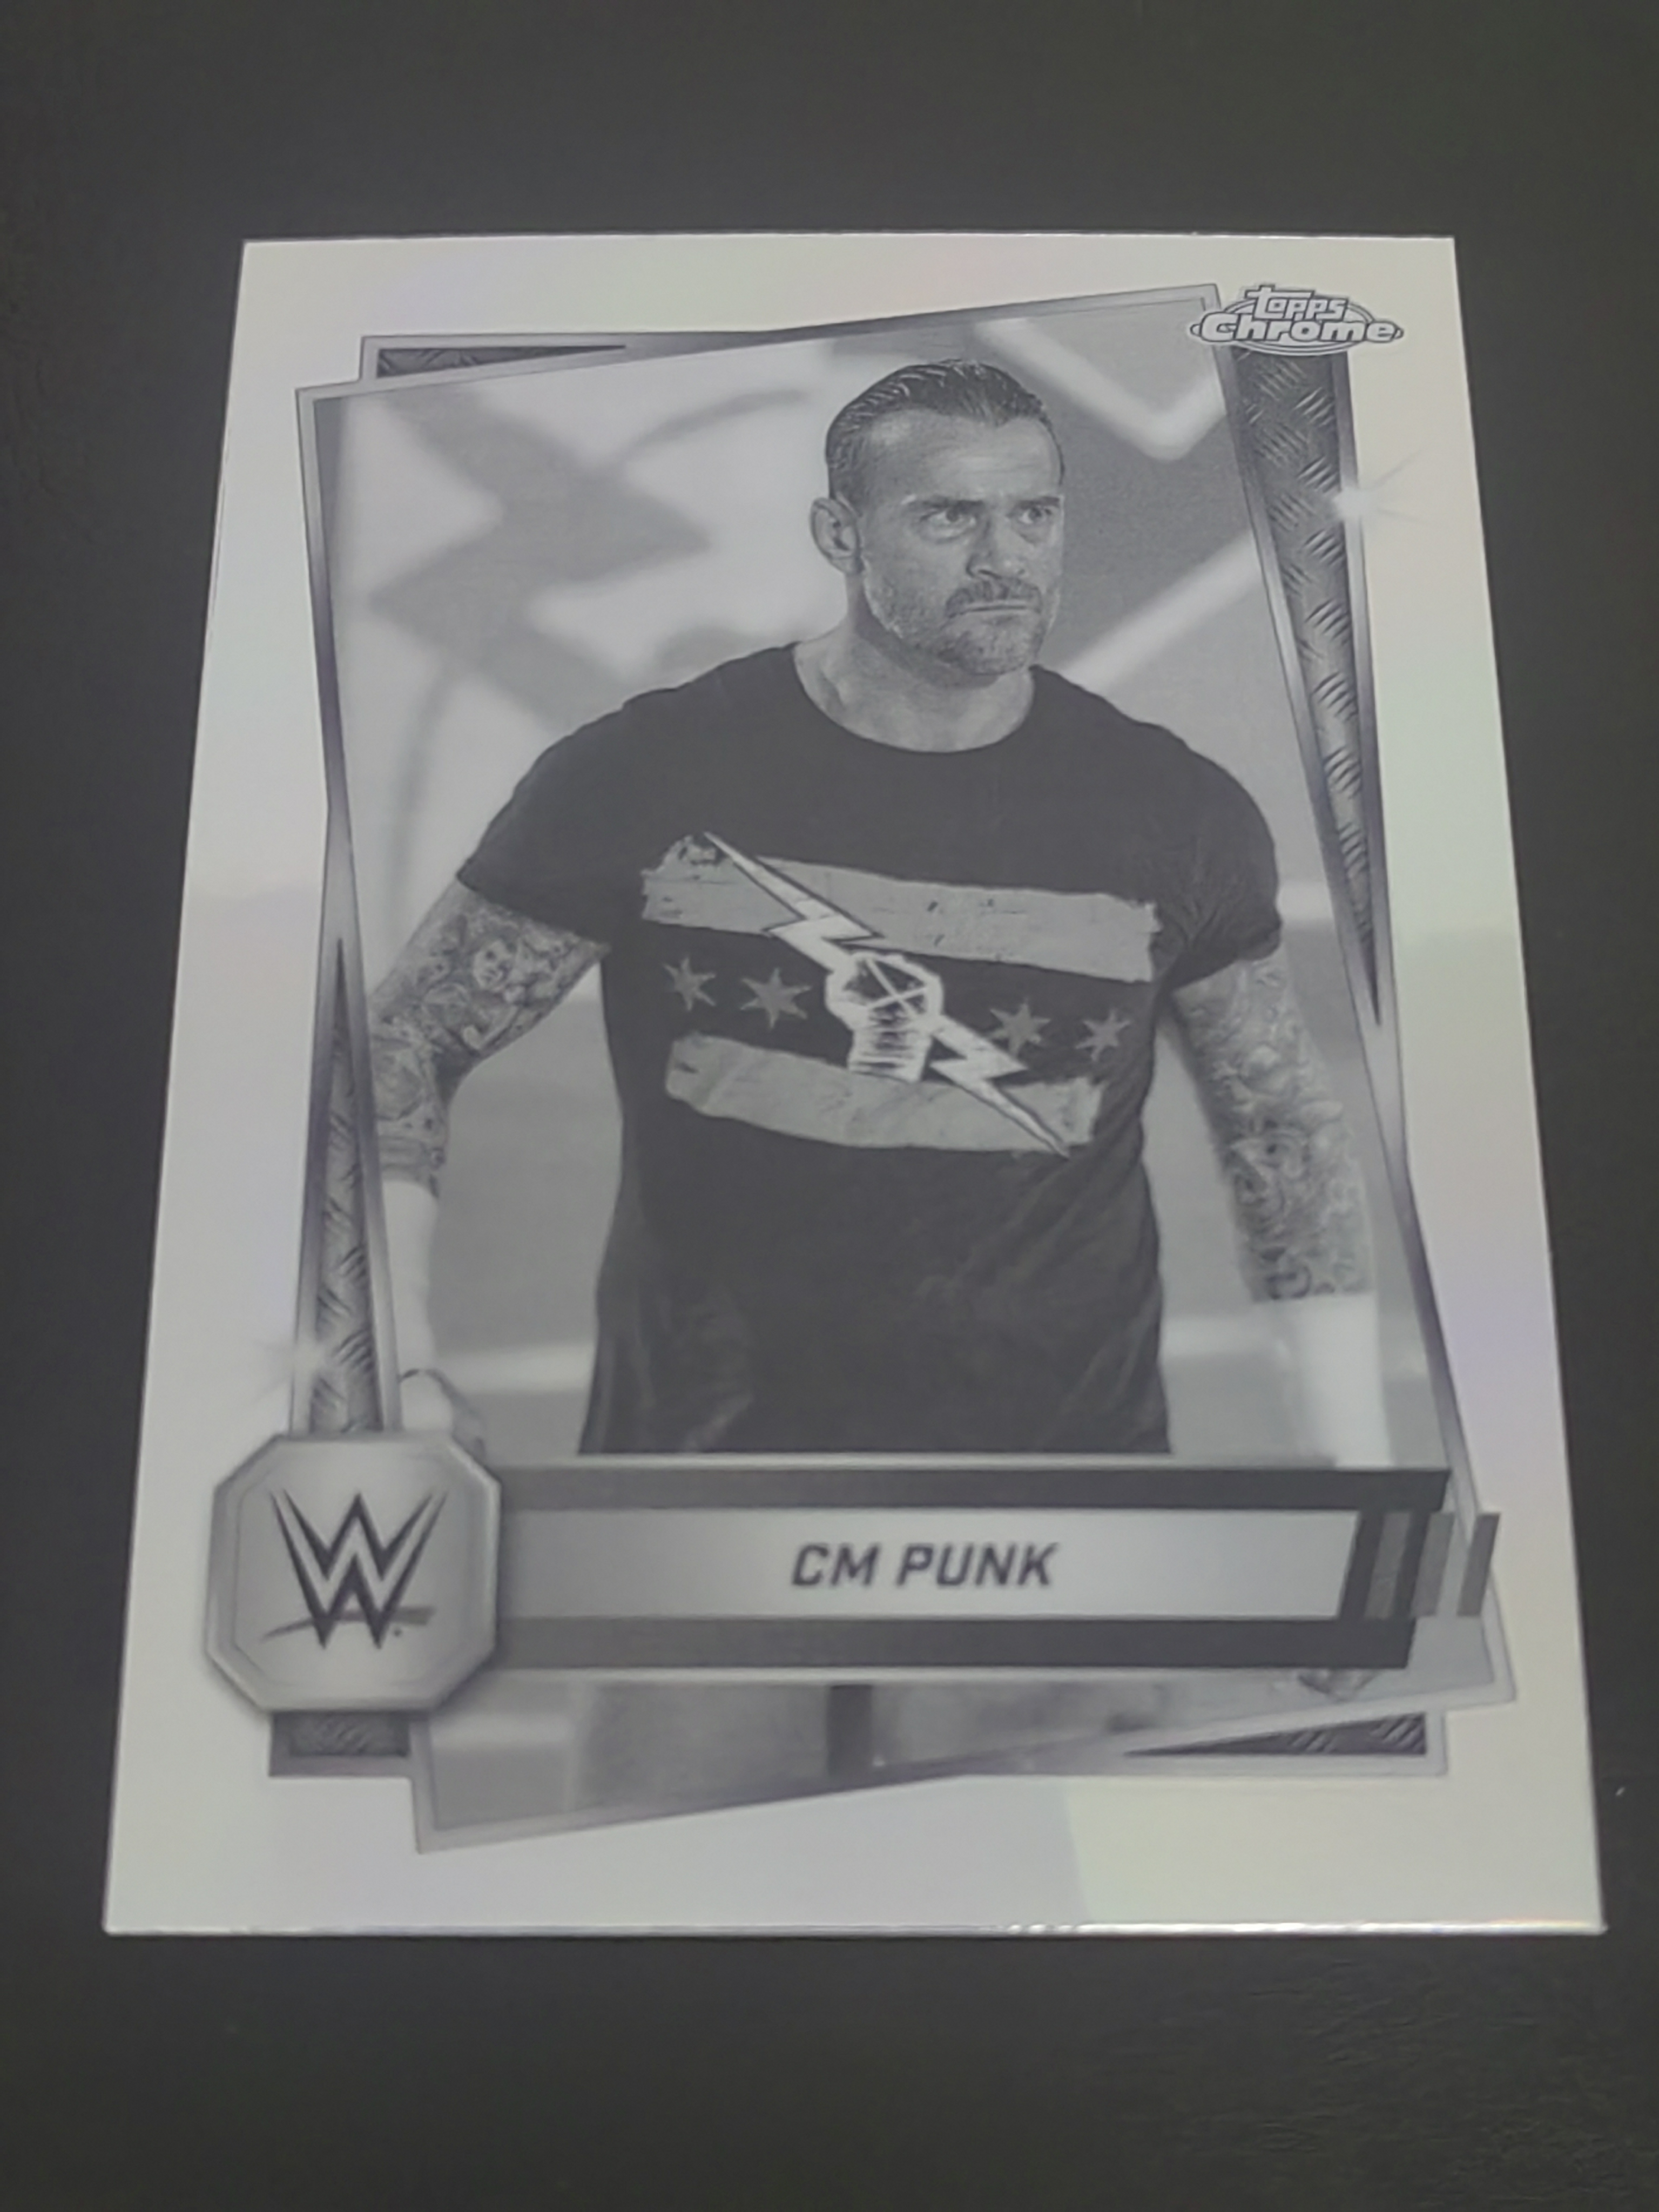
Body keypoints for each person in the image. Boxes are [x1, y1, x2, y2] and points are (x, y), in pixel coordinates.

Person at [369, 359, 1392, 1465]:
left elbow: (1279, 1123)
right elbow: (405, 1038)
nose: (1004, 558)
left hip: (1073, 1492)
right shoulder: (644, 772)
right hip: (709, 1486)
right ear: (839, 534)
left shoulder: (1175, 810)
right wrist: (398, 1361)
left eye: (1034, 515)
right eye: (950, 516)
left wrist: (1356, 1464)